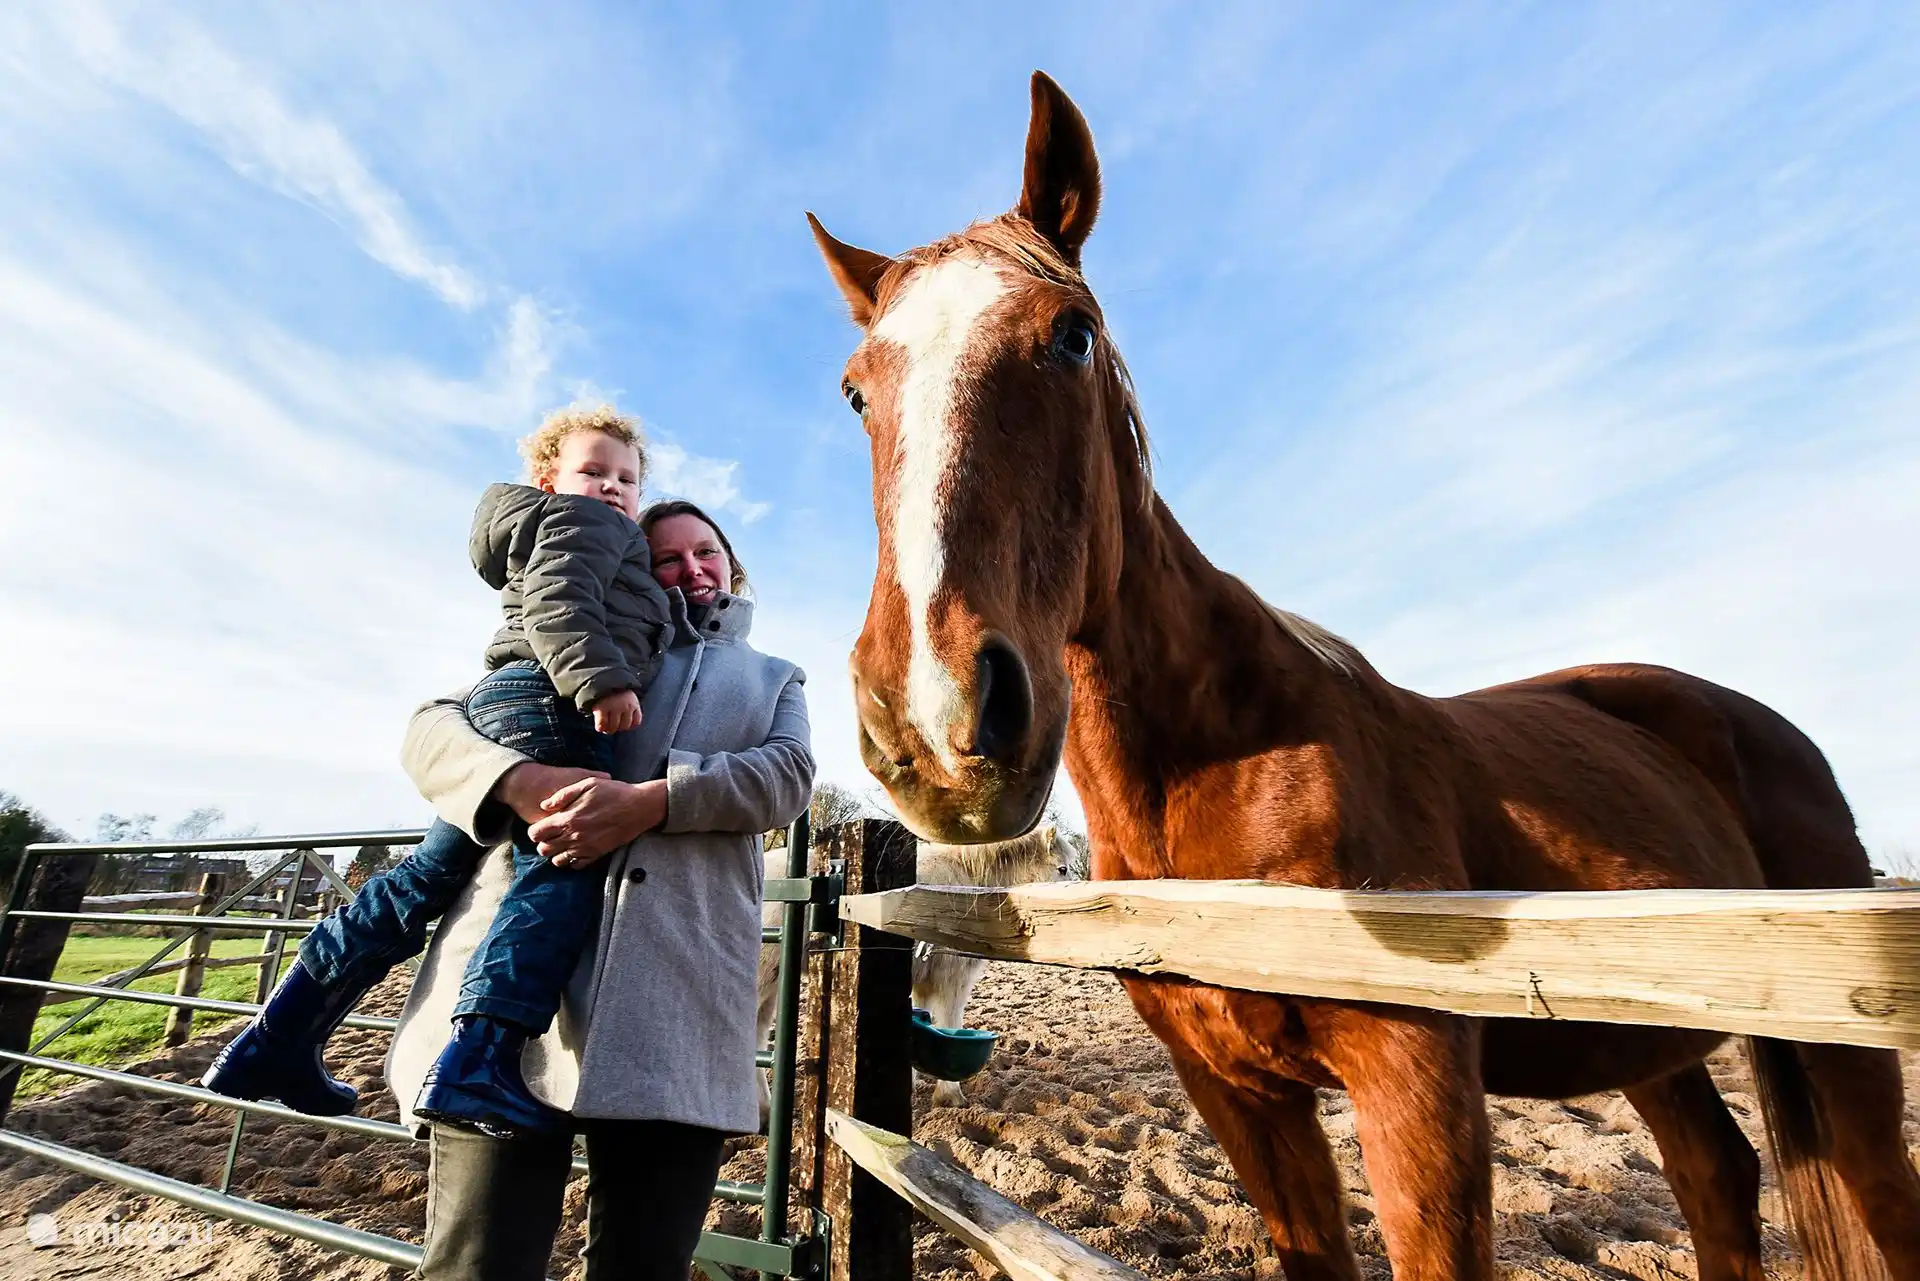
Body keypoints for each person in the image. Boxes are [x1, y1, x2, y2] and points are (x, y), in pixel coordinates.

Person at [203, 404, 677, 1139]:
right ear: (548, 479)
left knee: (422, 878)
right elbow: (560, 600)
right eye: (594, 471)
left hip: (507, 698)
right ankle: (477, 1063)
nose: (613, 487)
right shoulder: (589, 523)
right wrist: (602, 682)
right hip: (554, 700)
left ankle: (278, 1034)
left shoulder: (549, 527)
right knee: (562, 867)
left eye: (627, 478)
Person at [395, 498, 809, 1279]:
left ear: (732, 566)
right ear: (630, 569)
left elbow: (787, 776)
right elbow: (431, 731)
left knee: (643, 1264)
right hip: (519, 1006)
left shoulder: (773, 679)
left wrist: (653, 802)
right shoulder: (573, 639)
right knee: (478, 1263)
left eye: (706, 552)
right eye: (665, 557)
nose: (691, 569)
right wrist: (519, 780)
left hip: (676, 1006)